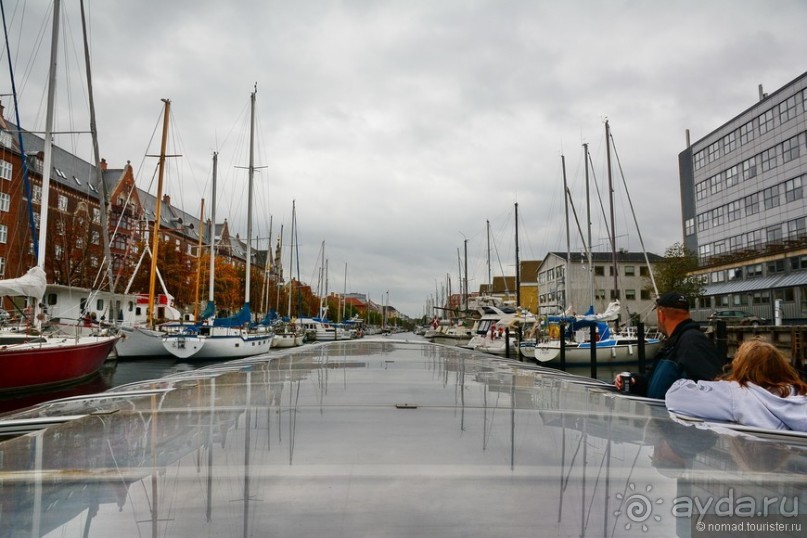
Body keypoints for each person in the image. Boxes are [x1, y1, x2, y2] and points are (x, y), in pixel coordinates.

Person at [666, 339, 807, 431]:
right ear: (781, 365)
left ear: (739, 366)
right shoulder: (799, 393)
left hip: (759, 452)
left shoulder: (736, 394)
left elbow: (676, 397)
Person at [615, 291, 725, 398]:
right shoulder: (676, 343)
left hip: (671, 416)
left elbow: (713, 391)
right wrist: (635, 381)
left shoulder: (692, 343)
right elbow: (658, 384)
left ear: (661, 315)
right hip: (664, 414)